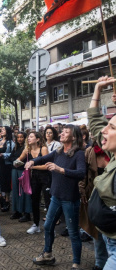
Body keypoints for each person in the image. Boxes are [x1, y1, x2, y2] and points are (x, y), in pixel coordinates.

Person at [25, 124, 86, 270]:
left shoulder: (78, 154)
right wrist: (33, 161)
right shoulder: (58, 151)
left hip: (70, 199)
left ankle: (76, 263)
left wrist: (61, 169)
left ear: (74, 137)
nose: (62, 134)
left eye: (66, 132)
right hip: (55, 197)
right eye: (62, 131)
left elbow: (81, 173)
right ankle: (48, 255)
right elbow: (44, 158)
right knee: (47, 226)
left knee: (73, 233)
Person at [87, 76, 116, 270]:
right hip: (107, 237)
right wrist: (98, 89)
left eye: (112, 127)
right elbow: (95, 123)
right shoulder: (113, 154)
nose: (104, 130)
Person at [79, 140, 109, 270]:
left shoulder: (112, 153)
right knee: (98, 233)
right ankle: (100, 263)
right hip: (95, 196)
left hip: (111, 199)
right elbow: (84, 174)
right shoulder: (90, 151)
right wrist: (82, 191)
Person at [24, 131, 50, 234]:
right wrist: (17, 162)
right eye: (28, 137)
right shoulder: (28, 150)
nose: (28, 138)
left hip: (45, 177)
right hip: (34, 177)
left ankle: (49, 228)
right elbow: (20, 159)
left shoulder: (43, 149)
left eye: (31, 137)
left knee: (48, 202)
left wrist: (32, 166)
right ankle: (36, 224)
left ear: (37, 139)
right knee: (34, 200)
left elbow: (47, 166)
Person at [9, 132, 32, 222]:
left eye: (21, 137)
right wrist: (15, 161)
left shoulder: (27, 148)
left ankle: (26, 212)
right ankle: (17, 211)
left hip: (23, 170)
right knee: (15, 191)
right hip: (15, 170)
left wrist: (17, 160)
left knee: (24, 191)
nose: (19, 139)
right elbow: (10, 158)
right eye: (18, 137)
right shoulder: (15, 147)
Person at [0, 126, 15, 212]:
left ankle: (7, 201)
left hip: (6, 165)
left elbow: (12, 154)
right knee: (0, 182)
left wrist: (3, 155)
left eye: (3, 130)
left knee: (6, 183)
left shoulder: (11, 143)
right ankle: (2, 200)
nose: (2, 131)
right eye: (1, 130)